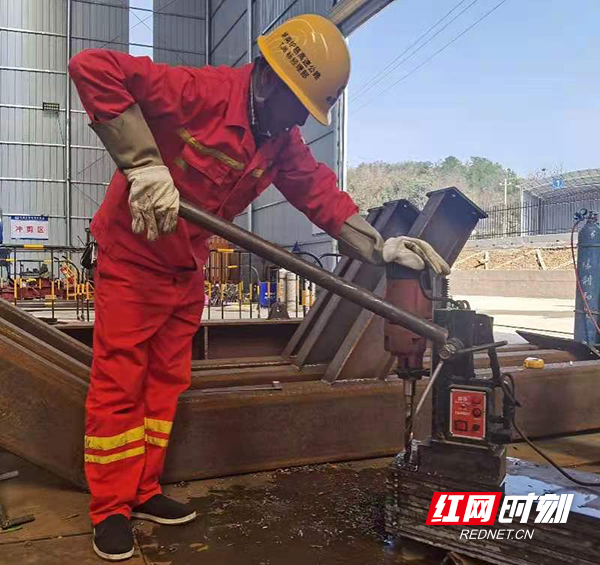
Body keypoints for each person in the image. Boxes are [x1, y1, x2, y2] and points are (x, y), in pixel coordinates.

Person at [69, 14, 449, 561]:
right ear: (268, 76)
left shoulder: (279, 143)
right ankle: (110, 509)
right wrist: (145, 165)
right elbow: (92, 68)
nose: (299, 119)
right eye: (296, 103)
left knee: (165, 384)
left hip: (186, 266)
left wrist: (377, 247)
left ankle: (142, 492)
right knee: (120, 380)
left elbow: (320, 194)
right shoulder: (202, 93)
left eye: (307, 110)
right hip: (133, 257)